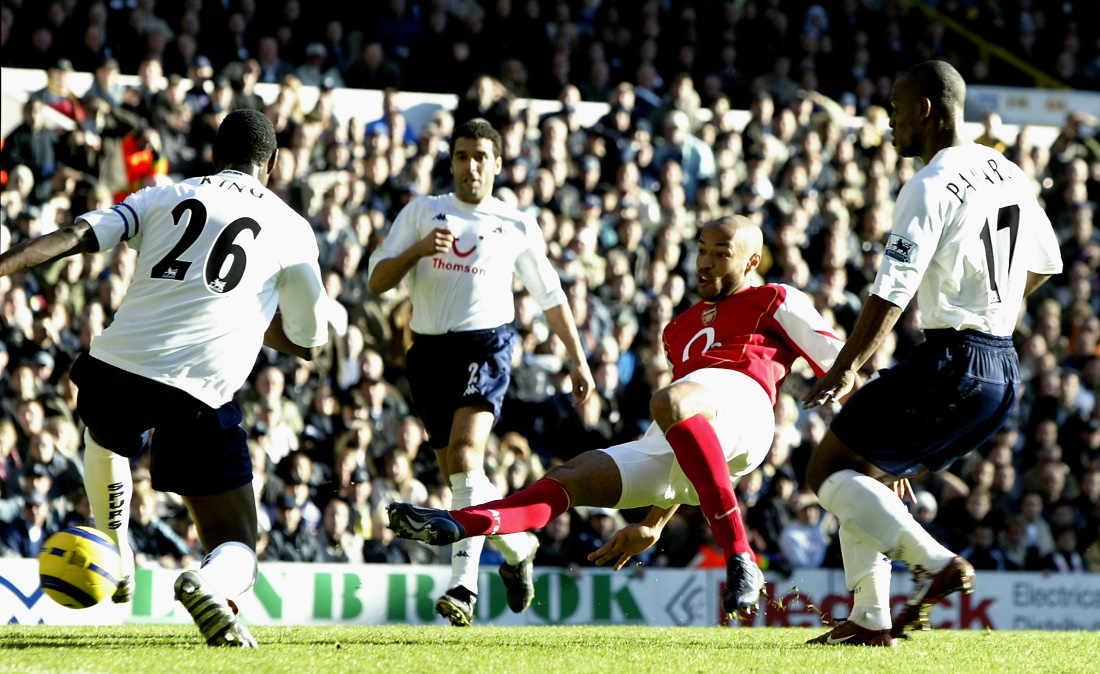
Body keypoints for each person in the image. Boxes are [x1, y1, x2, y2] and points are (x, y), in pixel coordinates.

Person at [387, 215, 846, 619]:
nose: (704, 263)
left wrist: (877, 446)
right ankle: (460, 523)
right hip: (685, 422)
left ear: (751, 261)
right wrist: (653, 524)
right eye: (700, 251)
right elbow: (690, 440)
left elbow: (842, 362)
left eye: (720, 254)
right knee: (571, 476)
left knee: (670, 402)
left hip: (746, 407)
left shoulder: (775, 297)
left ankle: (741, 555)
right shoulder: (678, 328)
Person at [0, 109, 332, 648]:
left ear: (212, 156)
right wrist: (253, 314)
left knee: (103, 436)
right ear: (273, 163)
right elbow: (309, 339)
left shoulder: (159, 194)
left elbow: (71, 235)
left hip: (113, 371)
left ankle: (117, 550)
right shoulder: (291, 228)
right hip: (197, 389)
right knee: (238, 541)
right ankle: (206, 582)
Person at [801, 61, 1063, 647]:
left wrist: (846, 369)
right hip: (1001, 367)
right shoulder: (1007, 170)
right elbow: (1045, 263)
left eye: (895, 108)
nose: (889, 121)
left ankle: (936, 562)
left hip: (954, 360)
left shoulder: (927, 185)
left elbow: (890, 292)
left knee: (827, 470)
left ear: (924, 110)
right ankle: (870, 620)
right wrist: (993, 309)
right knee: (868, 474)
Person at [367, 117, 595, 627]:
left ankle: (462, 586)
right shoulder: (423, 212)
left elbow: (551, 296)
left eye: (480, 156)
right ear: (451, 162)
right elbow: (376, 280)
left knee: (469, 456)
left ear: (497, 163)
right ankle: (518, 549)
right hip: (427, 353)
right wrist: (418, 251)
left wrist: (577, 358)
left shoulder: (515, 222)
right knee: (462, 479)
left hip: (486, 345)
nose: (470, 165)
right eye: (462, 155)